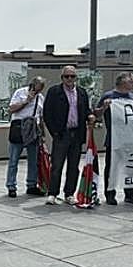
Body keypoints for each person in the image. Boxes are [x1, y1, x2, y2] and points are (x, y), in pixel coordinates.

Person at [42, 66, 91, 205]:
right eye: (66, 76)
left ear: (76, 78)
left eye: (72, 76)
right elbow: (47, 113)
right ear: (62, 78)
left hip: (77, 134)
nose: (69, 79)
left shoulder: (81, 92)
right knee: (57, 165)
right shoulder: (54, 92)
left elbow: (86, 110)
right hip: (62, 134)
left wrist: (91, 116)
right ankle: (52, 193)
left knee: (73, 166)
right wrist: (55, 133)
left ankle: (69, 193)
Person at [97, 72, 133, 205]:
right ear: (123, 82)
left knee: (130, 167)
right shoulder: (109, 96)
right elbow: (97, 114)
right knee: (112, 167)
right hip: (114, 139)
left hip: (131, 139)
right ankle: (110, 194)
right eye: (131, 81)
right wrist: (104, 107)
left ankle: (130, 193)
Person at [5, 76, 47, 198]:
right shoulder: (20, 93)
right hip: (19, 127)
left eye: (40, 89)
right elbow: (11, 109)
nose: (37, 91)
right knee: (14, 159)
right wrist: (26, 101)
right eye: (36, 88)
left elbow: (41, 116)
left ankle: (31, 185)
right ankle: (11, 185)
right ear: (31, 85)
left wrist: (43, 134)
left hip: (33, 129)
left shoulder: (40, 98)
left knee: (33, 160)